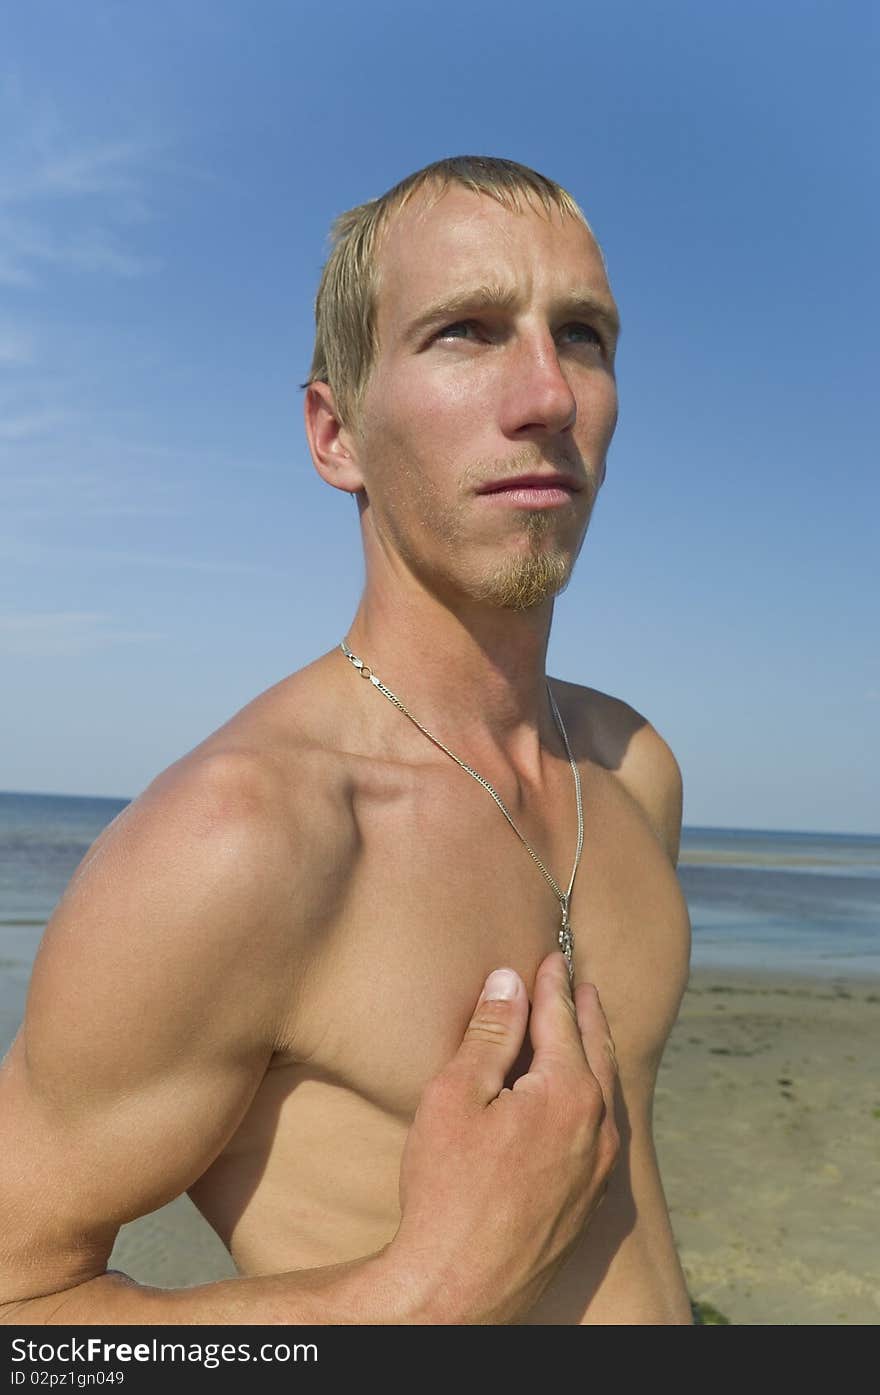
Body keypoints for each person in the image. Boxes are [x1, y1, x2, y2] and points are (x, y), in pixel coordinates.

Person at [0, 155, 691, 1325]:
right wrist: (422, 1296)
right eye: (467, 332)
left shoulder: (632, 769)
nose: (548, 396)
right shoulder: (243, 841)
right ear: (337, 435)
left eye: (581, 336)